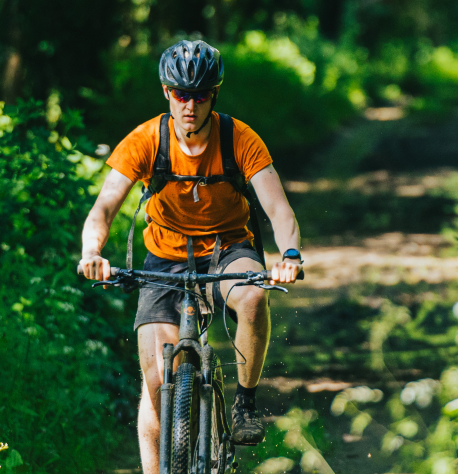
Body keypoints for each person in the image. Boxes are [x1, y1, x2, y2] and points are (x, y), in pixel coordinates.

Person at [76, 39, 304, 474]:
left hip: (228, 249)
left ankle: (244, 403)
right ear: (167, 93)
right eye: (182, 94)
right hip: (164, 258)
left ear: (213, 95)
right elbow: (102, 209)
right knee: (157, 381)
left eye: (200, 95)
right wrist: (93, 252)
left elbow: (278, 209)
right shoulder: (147, 139)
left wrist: (289, 254)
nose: (190, 106)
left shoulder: (239, 138)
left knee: (254, 299)